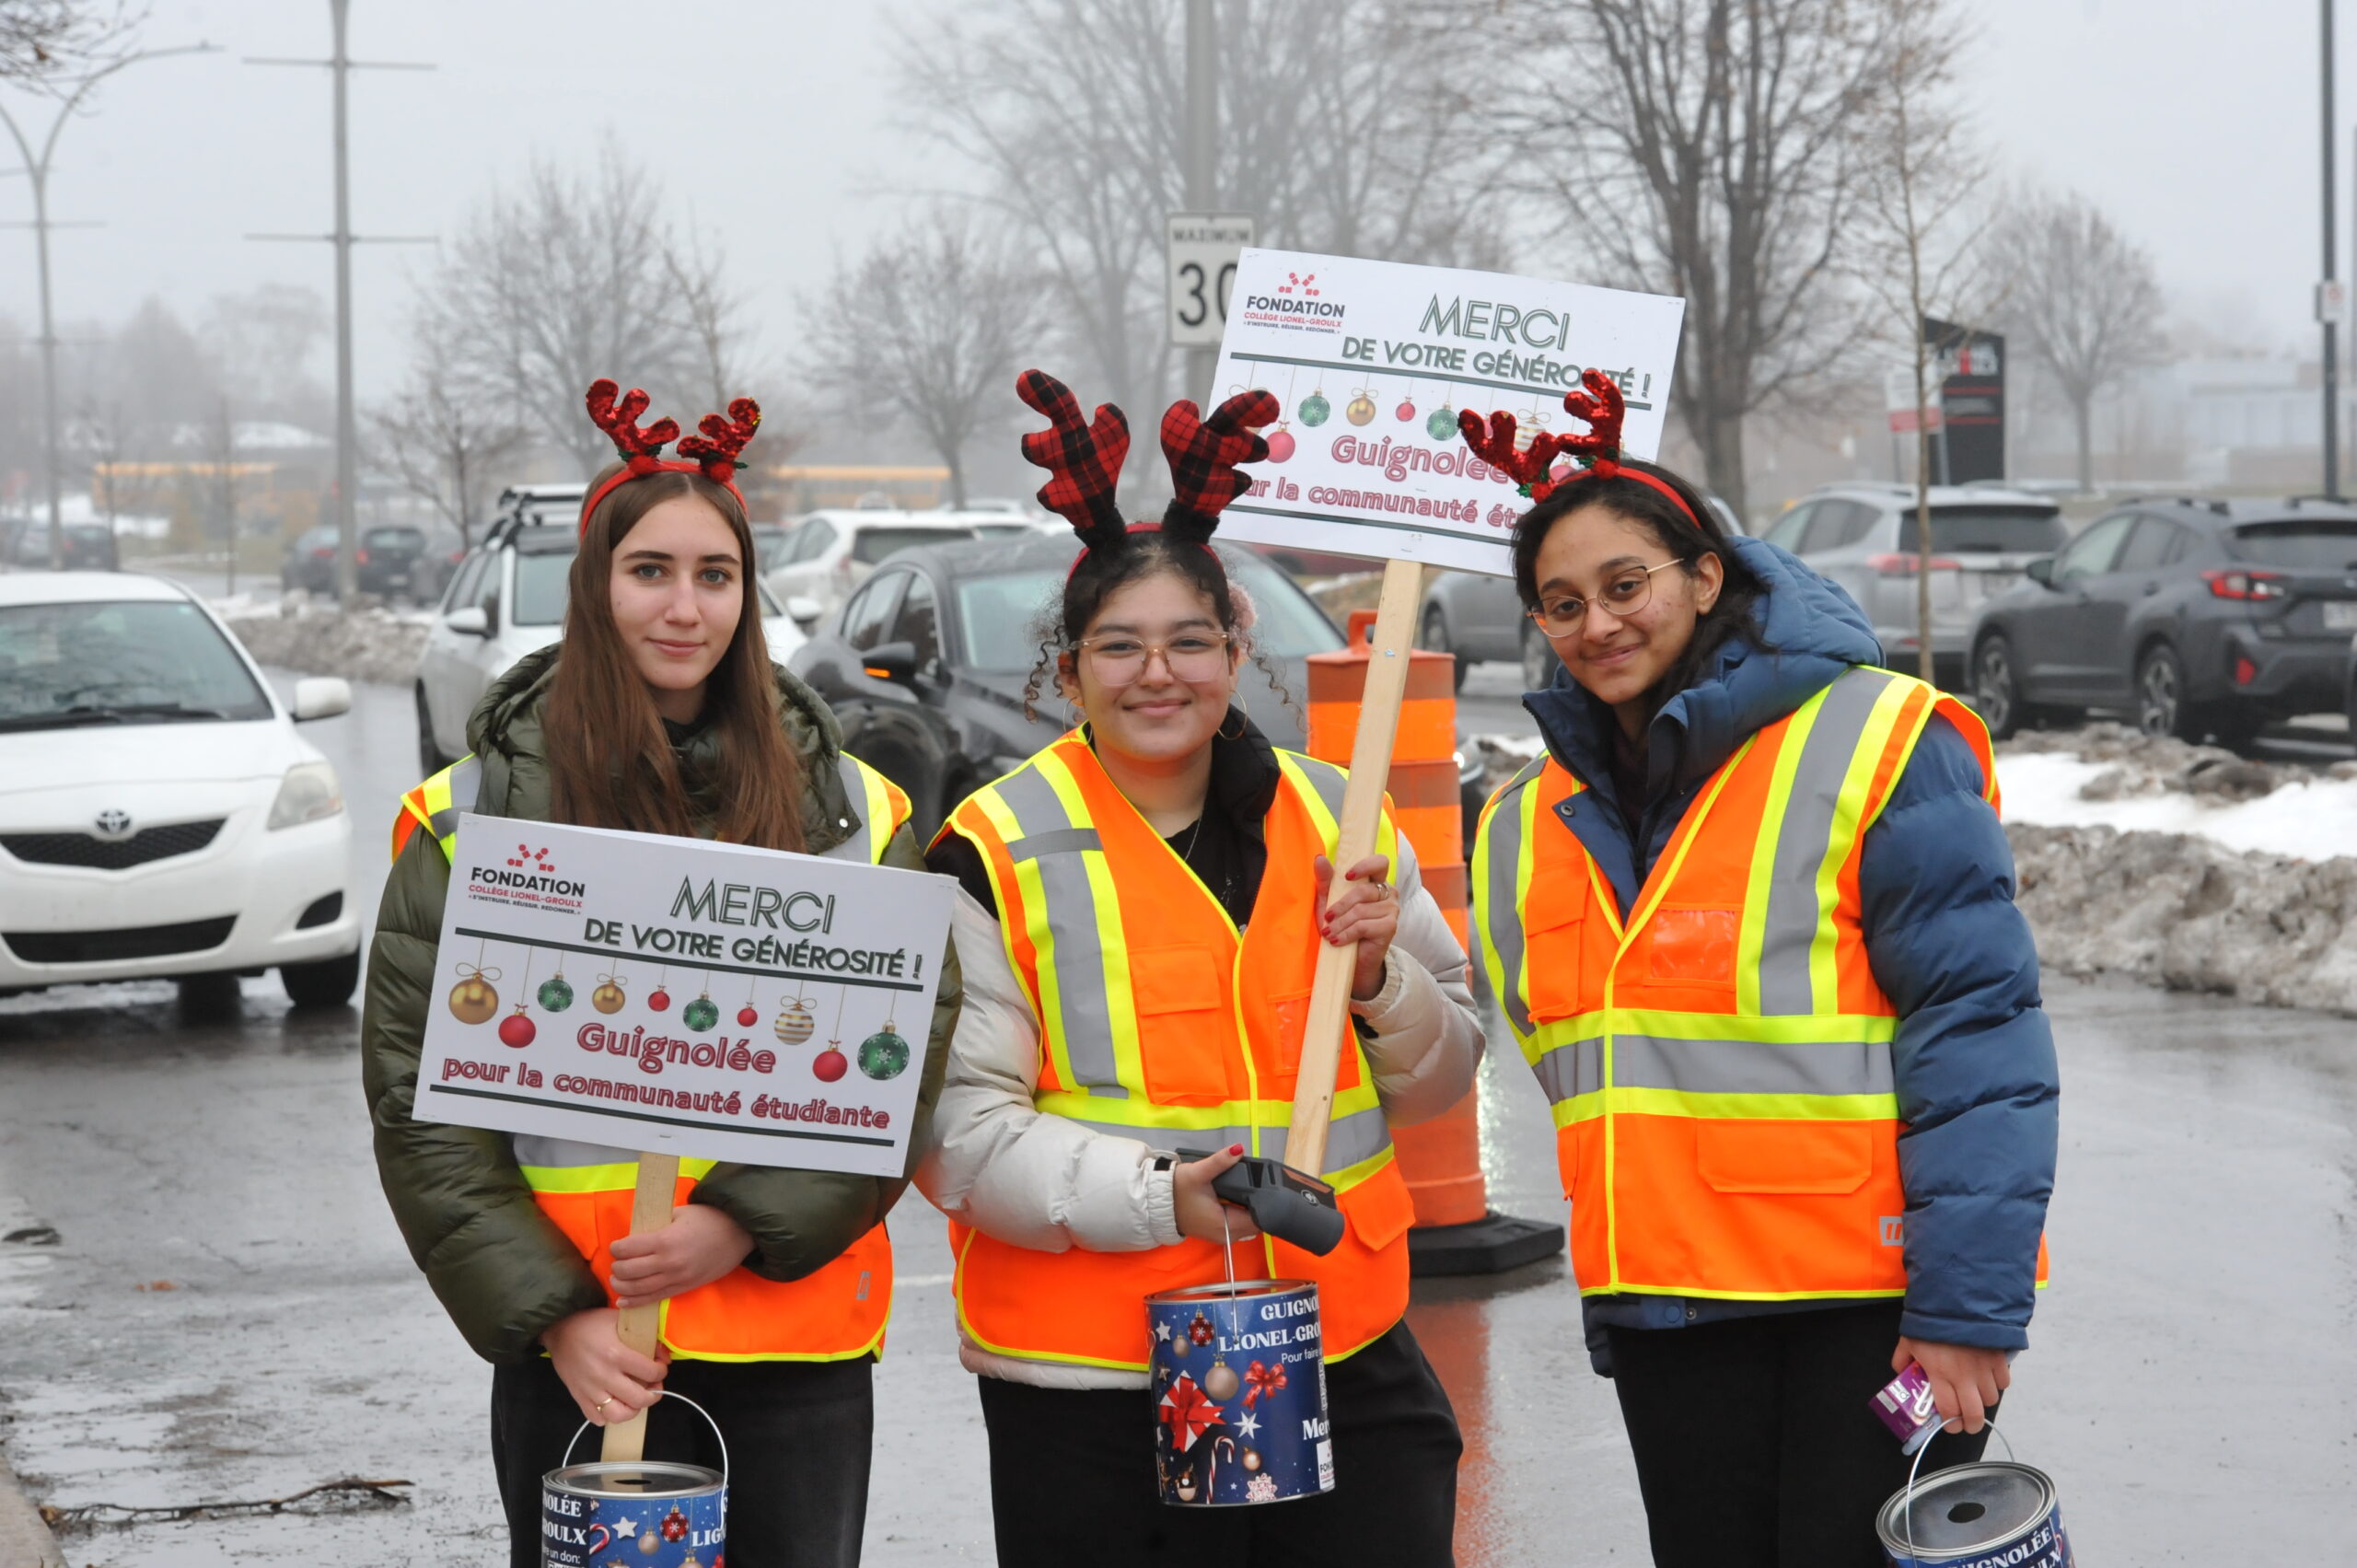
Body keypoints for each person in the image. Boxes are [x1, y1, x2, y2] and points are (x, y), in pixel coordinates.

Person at [1465, 373, 2058, 1568]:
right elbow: (1584, 1069)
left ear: (1705, 576)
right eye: (1562, 604)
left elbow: (1979, 1037)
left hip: (1868, 1316)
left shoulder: (1878, 738)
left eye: (1625, 584)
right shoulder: (1527, 819)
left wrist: (1966, 1309)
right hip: (1672, 1315)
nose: (1597, 625)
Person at [361, 380, 958, 1568]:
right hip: (580, 1355)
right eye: (650, 571)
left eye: (715, 575)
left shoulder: (857, 811)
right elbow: (421, 1105)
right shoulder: (466, 818)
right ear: (595, 587)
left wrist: (736, 1224)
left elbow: (900, 1066)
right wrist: (558, 1320)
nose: (685, 607)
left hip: (792, 1342)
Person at [916, 372, 1484, 1566]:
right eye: (1119, 647)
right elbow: (959, 1139)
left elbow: (1444, 1077)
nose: (1157, 673)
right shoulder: (990, 850)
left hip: (1339, 1345)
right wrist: (1164, 1197)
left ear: (1237, 651)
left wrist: (1380, 982)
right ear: (1067, 670)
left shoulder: (1340, 816)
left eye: (1189, 641)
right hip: (1092, 1386)